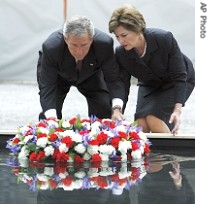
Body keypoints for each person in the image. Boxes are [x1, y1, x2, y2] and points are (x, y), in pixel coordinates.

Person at [108, 5, 195, 135]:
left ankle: (169, 154)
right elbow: (122, 84)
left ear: (137, 29)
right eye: (117, 36)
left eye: (124, 35)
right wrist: (117, 110)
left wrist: (177, 110)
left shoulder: (164, 38)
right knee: (140, 124)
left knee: (154, 119)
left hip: (177, 80)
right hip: (149, 84)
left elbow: (179, 75)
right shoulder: (121, 53)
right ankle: (147, 155)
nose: (121, 40)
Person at [37, 15, 125, 121]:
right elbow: (47, 86)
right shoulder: (51, 47)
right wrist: (51, 117)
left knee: (104, 108)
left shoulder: (104, 44)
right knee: (49, 114)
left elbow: (113, 79)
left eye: (84, 45)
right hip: (58, 76)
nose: (79, 51)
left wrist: (116, 109)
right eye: (74, 45)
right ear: (65, 39)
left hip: (91, 75)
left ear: (92, 39)